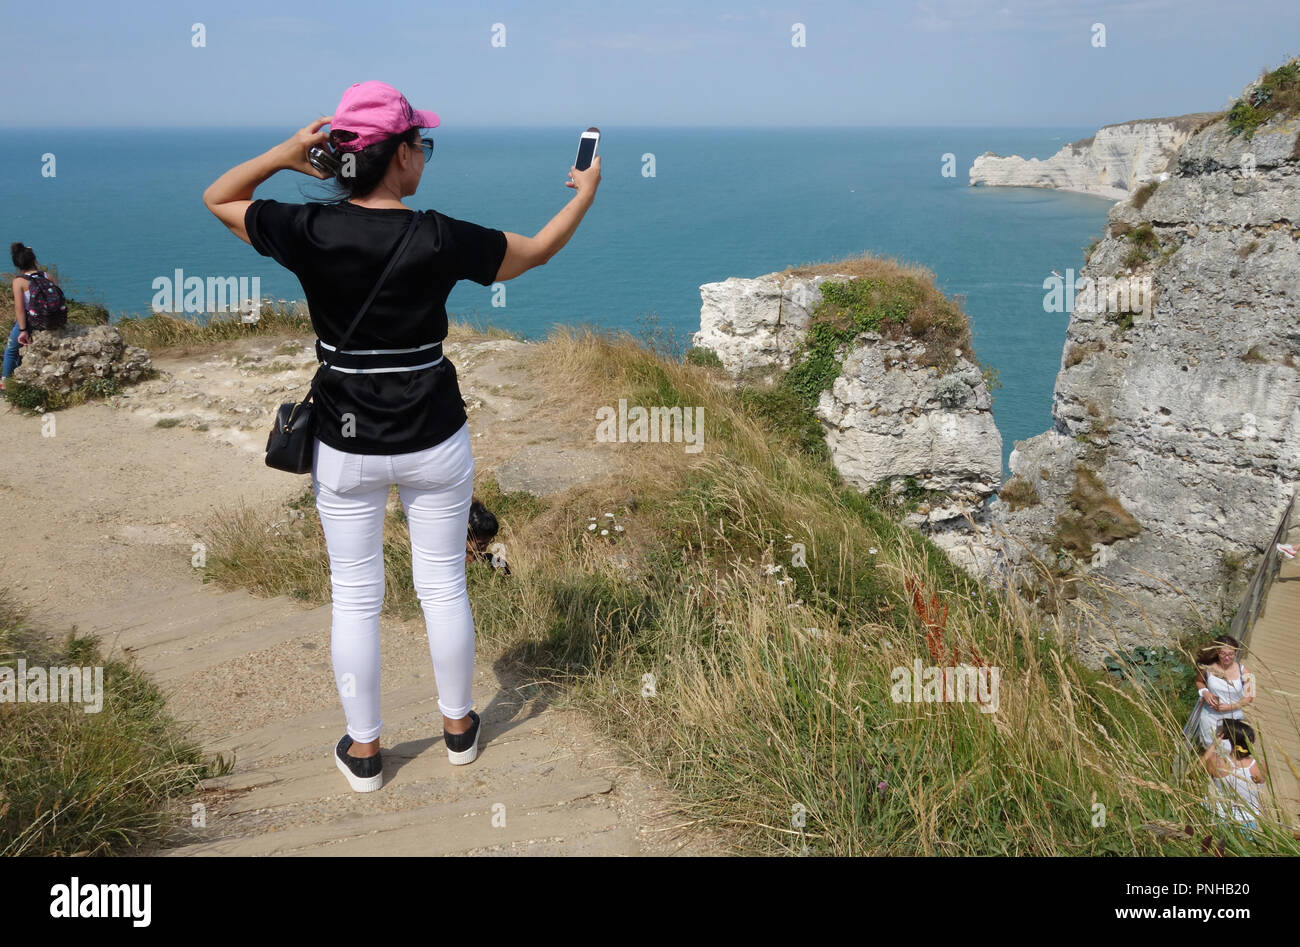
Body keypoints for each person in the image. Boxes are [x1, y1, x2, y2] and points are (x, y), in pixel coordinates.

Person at [202, 81, 600, 792]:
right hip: (433, 437)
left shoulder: (309, 231)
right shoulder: (438, 235)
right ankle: (458, 731)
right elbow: (536, 251)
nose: (426, 154)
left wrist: (288, 155)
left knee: (356, 595)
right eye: (423, 143)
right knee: (443, 585)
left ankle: (365, 753)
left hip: (346, 445)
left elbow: (220, 198)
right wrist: (584, 194)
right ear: (400, 156)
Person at [1202, 718, 1266, 836]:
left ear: (1229, 739)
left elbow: (1199, 766)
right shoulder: (1259, 766)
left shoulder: (1218, 762)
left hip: (1218, 817)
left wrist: (1216, 742)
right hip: (1247, 821)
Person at [1194, 634, 1254, 749]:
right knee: (1211, 749)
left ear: (1235, 653)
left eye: (1231, 654)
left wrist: (1230, 707)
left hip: (1233, 718)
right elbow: (1198, 682)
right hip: (1209, 715)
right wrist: (1205, 692)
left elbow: (1250, 697)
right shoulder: (1208, 668)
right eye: (1223, 654)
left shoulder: (1245, 671)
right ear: (1217, 652)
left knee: (1228, 749)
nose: (1227, 658)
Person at [3, 243, 41, 390]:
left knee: (11, 351)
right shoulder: (46, 276)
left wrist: (23, 329)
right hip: (50, 320)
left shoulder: (19, 281)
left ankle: (5, 384)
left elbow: (19, 309)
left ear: (18, 265)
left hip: (30, 321)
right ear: (35, 261)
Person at [466, 498, 510, 574]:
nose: (484, 549)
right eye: (480, 544)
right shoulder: (449, 564)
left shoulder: (490, 562)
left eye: (489, 542)